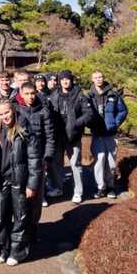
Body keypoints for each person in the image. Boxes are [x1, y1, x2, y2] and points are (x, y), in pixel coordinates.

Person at [0, 100, 41, 266]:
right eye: (1, 114)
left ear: (13, 111)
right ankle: (3, 249)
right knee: (0, 216)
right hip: (0, 179)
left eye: (7, 112)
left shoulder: (25, 129)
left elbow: (34, 158)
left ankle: (17, 251)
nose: (5, 117)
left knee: (20, 216)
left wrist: (32, 184)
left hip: (19, 178)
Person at [50, 70, 93, 203]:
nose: (65, 81)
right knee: (57, 164)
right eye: (62, 79)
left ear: (71, 80)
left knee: (75, 164)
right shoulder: (54, 94)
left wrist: (76, 123)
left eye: (67, 79)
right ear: (59, 80)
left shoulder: (80, 95)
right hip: (57, 135)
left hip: (73, 136)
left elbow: (88, 114)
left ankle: (78, 191)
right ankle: (58, 188)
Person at [88, 70, 128, 199]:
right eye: (96, 77)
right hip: (97, 135)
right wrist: (90, 124)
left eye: (100, 77)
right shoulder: (89, 96)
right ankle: (101, 187)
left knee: (111, 163)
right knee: (99, 162)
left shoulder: (113, 94)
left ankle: (110, 186)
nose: (99, 79)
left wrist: (115, 123)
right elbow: (84, 114)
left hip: (110, 134)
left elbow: (123, 111)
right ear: (92, 80)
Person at [15, 81, 57, 204]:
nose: (30, 96)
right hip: (21, 152)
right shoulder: (16, 110)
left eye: (32, 93)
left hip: (39, 152)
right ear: (21, 94)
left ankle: (40, 198)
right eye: (27, 94)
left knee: (39, 179)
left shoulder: (44, 111)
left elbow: (50, 135)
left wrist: (48, 155)